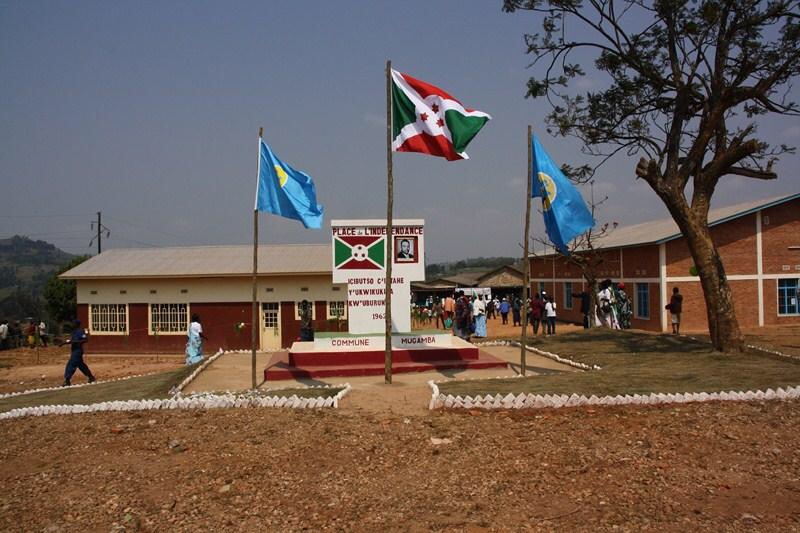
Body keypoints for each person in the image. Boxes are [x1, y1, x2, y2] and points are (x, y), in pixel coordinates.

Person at [60, 319, 95, 386]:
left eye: (74, 323)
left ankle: (67, 380)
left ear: (77, 324)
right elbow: (72, 341)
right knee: (81, 365)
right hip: (74, 350)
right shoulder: (74, 332)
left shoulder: (80, 331)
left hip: (78, 351)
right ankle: (91, 377)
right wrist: (63, 343)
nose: (72, 325)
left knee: (71, 364)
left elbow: (85, 339)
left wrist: (75, 342)